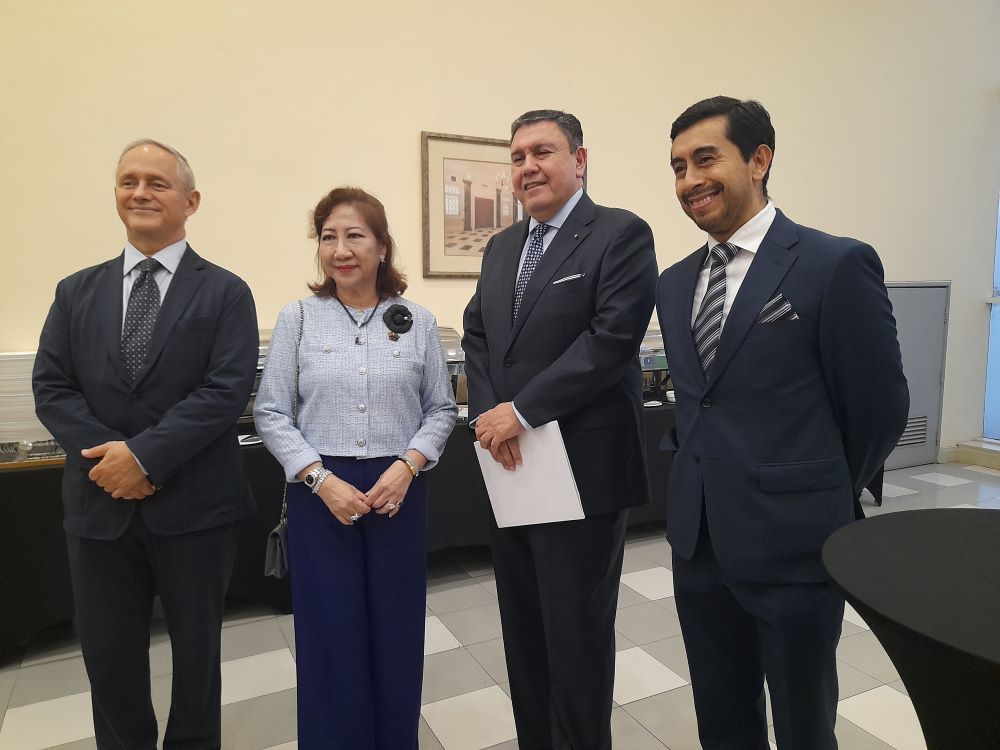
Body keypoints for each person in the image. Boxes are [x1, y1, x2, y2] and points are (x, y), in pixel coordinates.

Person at [657, 96, 909, 749]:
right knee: (722, 721)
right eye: (679, 167)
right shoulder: (674, 283)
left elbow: (880, 407)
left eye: (705, 159)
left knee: (803, 727)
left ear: (759, 160)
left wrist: (818, 491)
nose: (690, 180)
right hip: (699, 544)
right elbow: (700, 402)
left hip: (795, 547)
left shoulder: (833, 264)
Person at [32, 139, 259, 749]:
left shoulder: (226, 293)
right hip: (99, 507)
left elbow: (225, 391)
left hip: (196, 509)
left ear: (191, 201)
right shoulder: (75, 291)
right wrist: (113, 460)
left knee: (197, 663)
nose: (140, 193)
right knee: (108, 663)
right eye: (128, 181)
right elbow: (52, 387)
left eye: (157, 183)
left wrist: (145, 458)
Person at [462, 109, 657, 749]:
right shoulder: (502, 247)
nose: (528, 167)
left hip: (582, 470)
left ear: (579, 159)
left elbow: (612, 339)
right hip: (512, 464)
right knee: (522, 628)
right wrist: (491, 418)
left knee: (576, 635)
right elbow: (478, 334)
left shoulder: (620, 234)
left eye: (542, 152)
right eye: (517, 157)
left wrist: (520, 411)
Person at [253, 186, 456, 749]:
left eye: (355, 236)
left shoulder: (418, 321)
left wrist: (408, 465)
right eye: (328, 237)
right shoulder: (298, 319)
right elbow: (271, 412)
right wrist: (320, 479)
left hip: (398, 492)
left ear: (382, 246)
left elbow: (442, 409)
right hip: (322, 495)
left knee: (396, 629)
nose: (340, 250)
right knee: (330, 634)